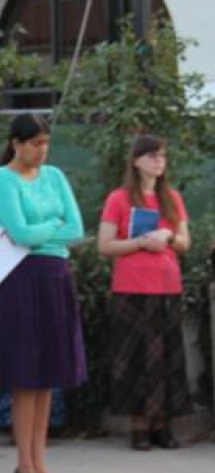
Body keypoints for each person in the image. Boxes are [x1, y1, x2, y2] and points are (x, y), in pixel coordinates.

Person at [0, 112, 87, 473]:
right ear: (16, 143)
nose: (42, 151)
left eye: (46, 143)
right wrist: (52, 228)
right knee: (25, 373)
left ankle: (41, 460)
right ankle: (24, 464)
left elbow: (77, 228)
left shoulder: (56, 176)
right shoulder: (3, 179)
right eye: (35, 144)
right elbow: (20, 233)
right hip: (22, 279)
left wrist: (45, 234)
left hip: (56, 276)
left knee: (48, 376)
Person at [97, 134, 191, 451]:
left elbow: (184, 242)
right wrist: (139, 242)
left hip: (167, 285)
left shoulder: (172, 198)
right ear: (136, 161)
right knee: (135, 357)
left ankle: (162, 426)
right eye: (152, 156)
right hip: (131, 286)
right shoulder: (119, 198)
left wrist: (166, 236)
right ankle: (138, 427)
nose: (158, 162)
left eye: (162, 156)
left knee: (166, 357)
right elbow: (105, 245)